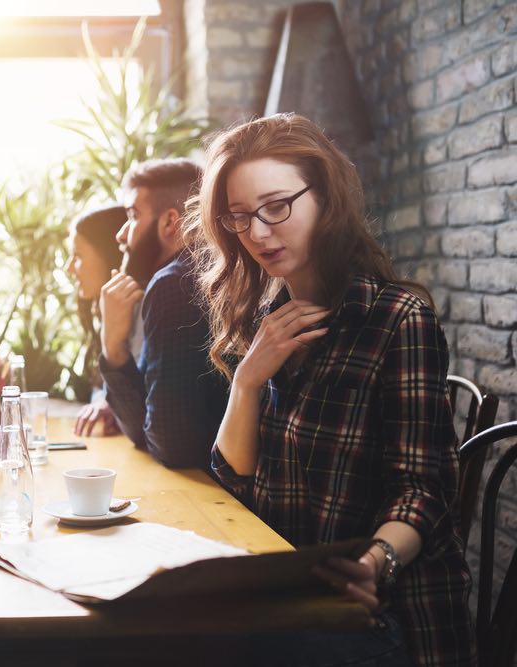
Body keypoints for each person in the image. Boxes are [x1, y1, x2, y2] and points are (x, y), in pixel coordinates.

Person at [196, 113, 474, 666]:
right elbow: (236, 477)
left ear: (325, 198)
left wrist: (374, 563)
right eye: (240, 217)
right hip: (289, 596)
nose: (257, 232)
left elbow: (423, 489)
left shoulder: (397, 318)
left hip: (381, 611)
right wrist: (248, 380)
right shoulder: (271, 320)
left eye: (276, 207)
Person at [98, 158, 229, 468]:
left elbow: (169, 446)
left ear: (172, 222)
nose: (120, 235)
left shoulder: (173, 285)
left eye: (132, 215)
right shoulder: (204, 274)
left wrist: (112, 345)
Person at [64, 205, 129, 437]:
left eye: (78, 256)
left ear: (109, 254)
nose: (69, 267)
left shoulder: (140, 317)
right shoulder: (100, 314)